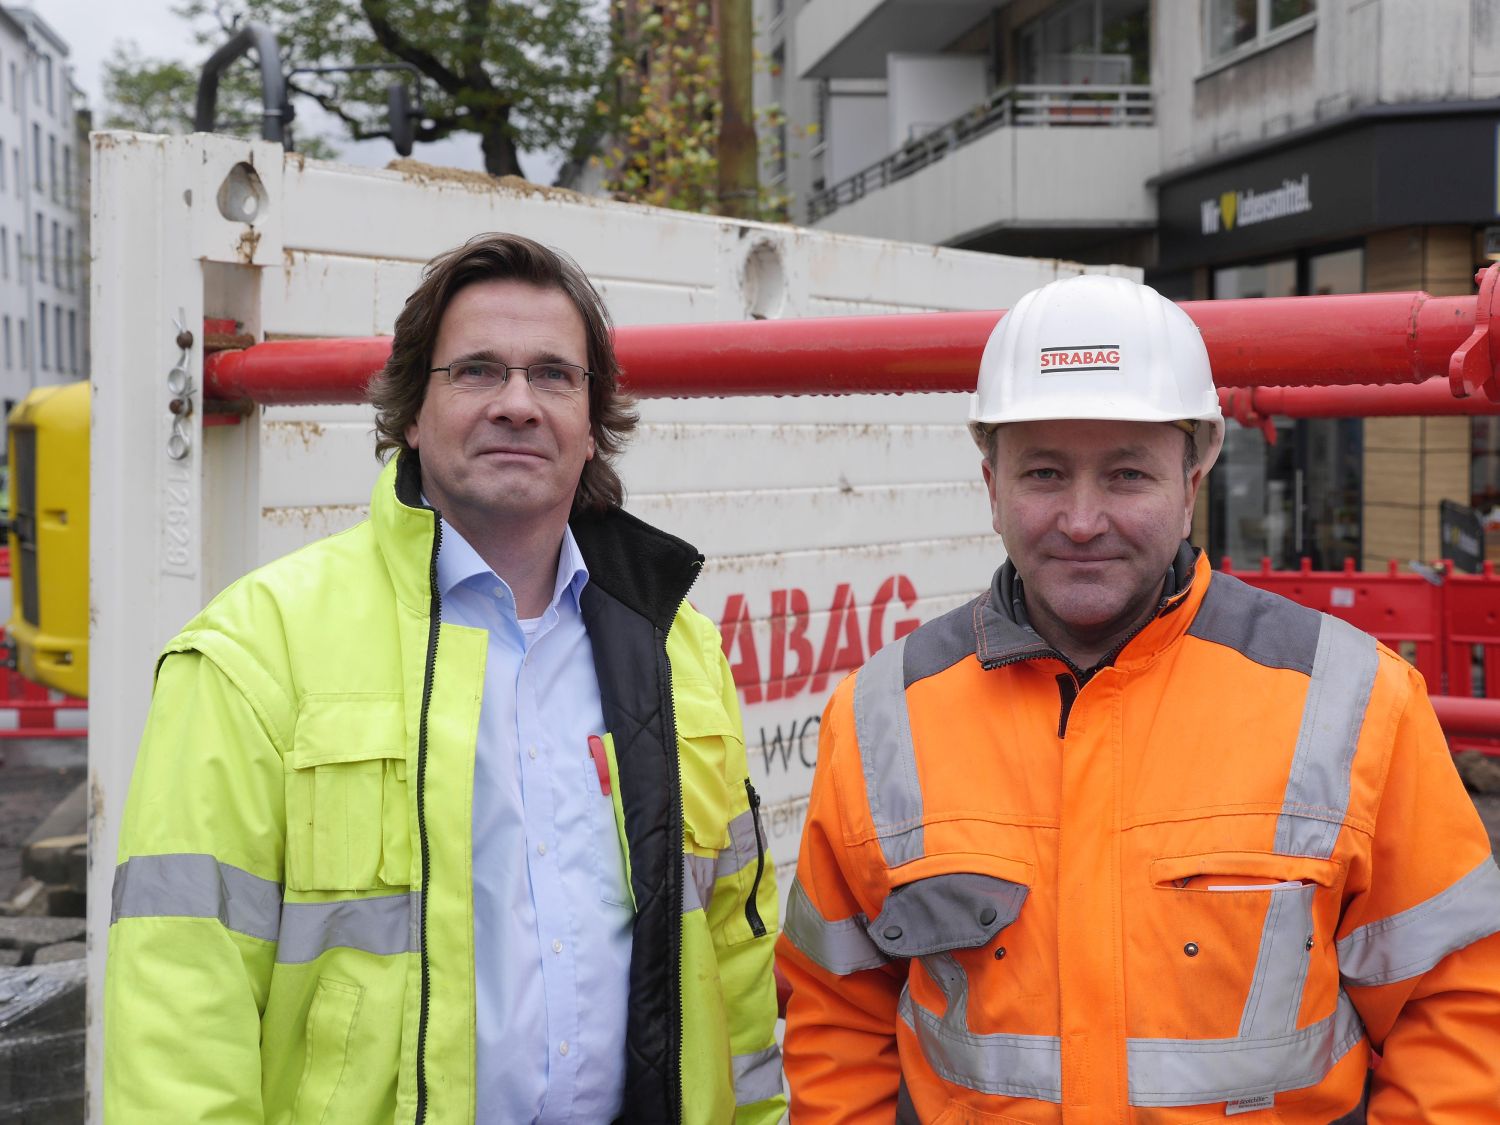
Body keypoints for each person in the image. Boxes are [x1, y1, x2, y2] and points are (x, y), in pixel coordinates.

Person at [777, 274, 1500, 1122]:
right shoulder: (880, 717)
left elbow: (1453, 1011)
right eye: (1045, 473)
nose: (1083, 520)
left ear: (1194, 476)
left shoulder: (1357, 701)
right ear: (991, 483)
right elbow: (836, 1017)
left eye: (1127, 475)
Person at [105, 233, 784, 1123]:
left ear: (591, 421)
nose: (517, 404)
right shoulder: (255, 649)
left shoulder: (679, 651)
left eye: (553, 375)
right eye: (475, 372)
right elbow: (179, 1009)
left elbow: (736, 966)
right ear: (411, 414)